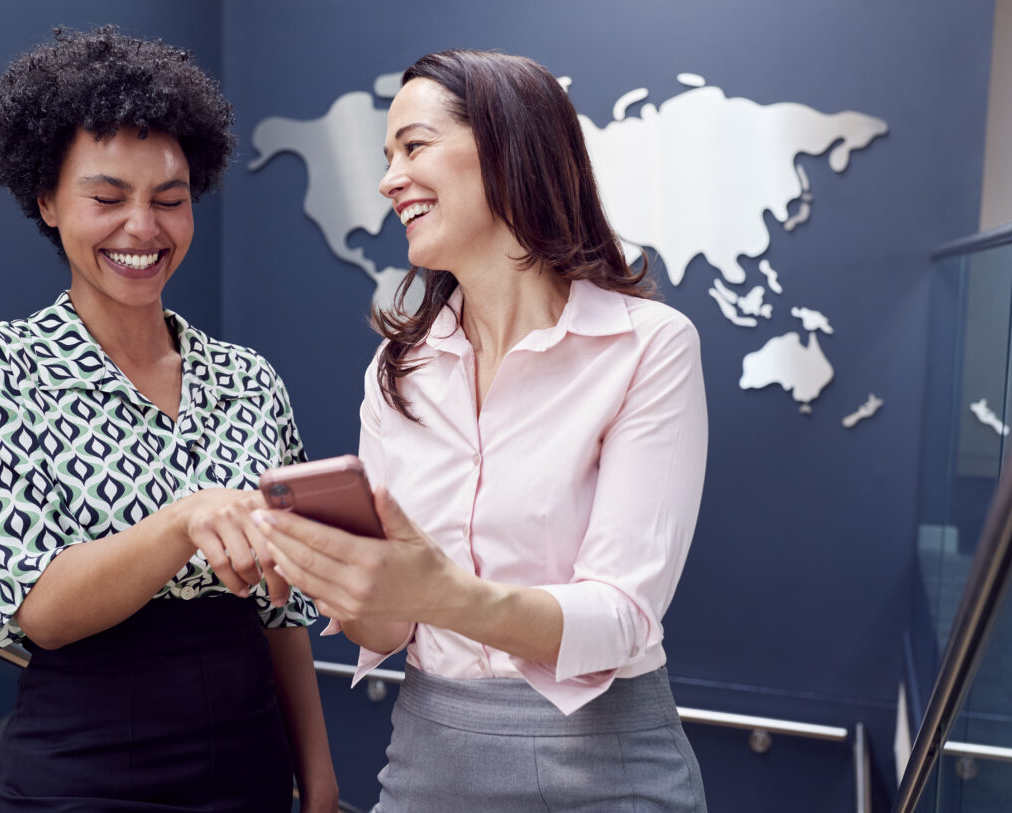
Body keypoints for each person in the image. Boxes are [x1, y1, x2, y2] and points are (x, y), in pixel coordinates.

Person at [245, 49, 709, 811]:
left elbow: (623, 615)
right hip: (430, 758)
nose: (390, 178)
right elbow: (391, 625)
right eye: (387, 156)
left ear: (507, 148)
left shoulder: (649, 346)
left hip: (608, 768)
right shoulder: (398, 369)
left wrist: (446, 592)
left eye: (414, 146)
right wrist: (335, 574)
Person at [0, 26, 337, 812]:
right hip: (86, 769)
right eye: (107, 198)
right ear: (45, 198)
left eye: (170, 200)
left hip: (250, 759)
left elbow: (282, 612)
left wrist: (316, 777)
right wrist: (184, 521)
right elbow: (37, 609)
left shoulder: (249, 380)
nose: (142, 228)